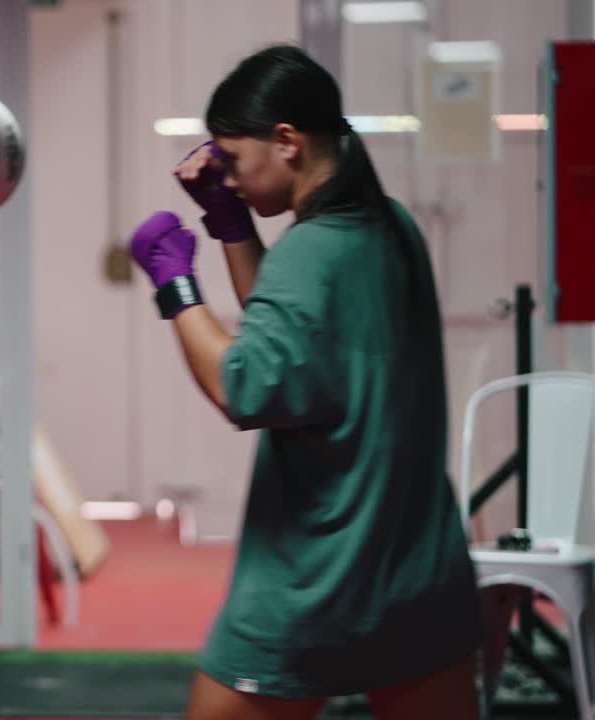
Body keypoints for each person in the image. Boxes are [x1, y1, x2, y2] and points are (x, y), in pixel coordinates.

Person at [128, 45, 481, 719]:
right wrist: (231, 226)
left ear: (287, 141)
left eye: (231, 160)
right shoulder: (391, 227)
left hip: (317, 579)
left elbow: (246, 386)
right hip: (418, 574)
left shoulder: (311, 252)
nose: (225, 178)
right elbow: (292, 337)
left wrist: (176, 283)